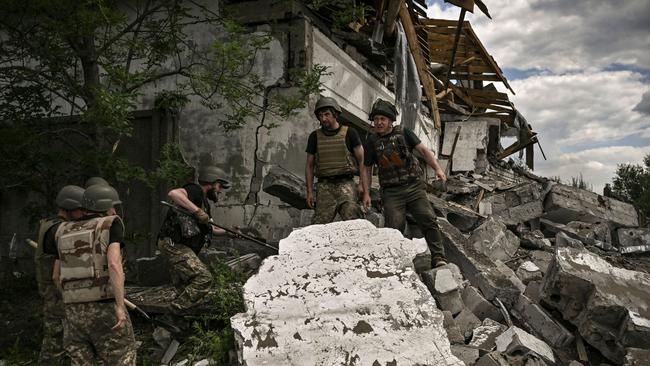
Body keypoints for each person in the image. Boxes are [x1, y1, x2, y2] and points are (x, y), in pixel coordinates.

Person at [46, 184, 136, 365]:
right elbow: (114, 264)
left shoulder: (61, 230)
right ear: (106, 206)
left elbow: (56, 276)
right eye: (113, 206)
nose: (115, 210)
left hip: (73, 312)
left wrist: (73, 300)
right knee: (121, 356)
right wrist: (119, 306)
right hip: (104, 307)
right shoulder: (110, 224)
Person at [362, 99, 448, 267]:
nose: (379, 122)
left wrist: (438, 169)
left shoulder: (404, 132)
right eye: (376, 119)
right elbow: (366, 168)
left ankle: (438, 257)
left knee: (428, 219)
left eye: (383, 119)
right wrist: (365, 193)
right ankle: (396, 263)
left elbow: (423, 150)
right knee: (393, 228)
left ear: (390, 121)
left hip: (414, 187)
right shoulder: (371, 141)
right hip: (391, 192)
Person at [158, 165, 231, 314]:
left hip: (179, 246)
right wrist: (197, 211)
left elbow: (212, 229)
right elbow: (173, 194)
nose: (219, 190)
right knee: (204, 278)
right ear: (211, 182)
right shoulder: (195, 190)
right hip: (174, 245)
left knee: (184, 287)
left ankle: (175, 326)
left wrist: (230, 233)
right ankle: (171, 314)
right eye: (219, 186)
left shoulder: (203, 203)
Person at [34, 185, 84, 365]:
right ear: (70, 208)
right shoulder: (61, 230)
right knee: (56, 344)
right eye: (80, 209)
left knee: (58, 343)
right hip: (58, 294)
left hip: (51, 291)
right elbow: (59, 273)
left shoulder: (48, 224)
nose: (83, 213)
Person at [305, 96, 369, 224]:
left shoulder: (350, 133)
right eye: (321, 115)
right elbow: (309, 166)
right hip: (324, 186)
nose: (323, 118)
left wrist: (364, 189)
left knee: (355, 224)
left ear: (335, 114)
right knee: (318, 227)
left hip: (346, 184)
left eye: (327, 114)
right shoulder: (315, 136)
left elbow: (363, 162)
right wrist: (310, 192)